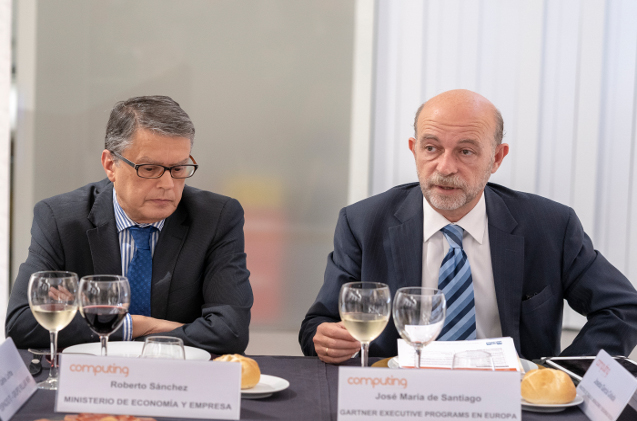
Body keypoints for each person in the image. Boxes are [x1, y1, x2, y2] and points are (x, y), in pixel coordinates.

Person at [299, 89, 637, 363]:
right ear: (414, 150)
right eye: (431, 148)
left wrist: (564, 374)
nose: (445, 167)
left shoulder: (550, 226)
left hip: (511, 404)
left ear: (497, 158)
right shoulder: (363, 223)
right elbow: (318, 326)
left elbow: (622, 307)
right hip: (399, 397)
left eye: (466, 152)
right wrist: (325, 340)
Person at [6, 95, 253, 354]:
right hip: (91, 379)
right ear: (110, 165)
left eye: (179, 168)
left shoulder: (216, 218)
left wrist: (94, 323)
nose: (168, 184)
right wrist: (137, 325)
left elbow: (231, 332)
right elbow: (22, 325)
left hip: (179, 382)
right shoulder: (61, 219)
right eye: (149, 168)